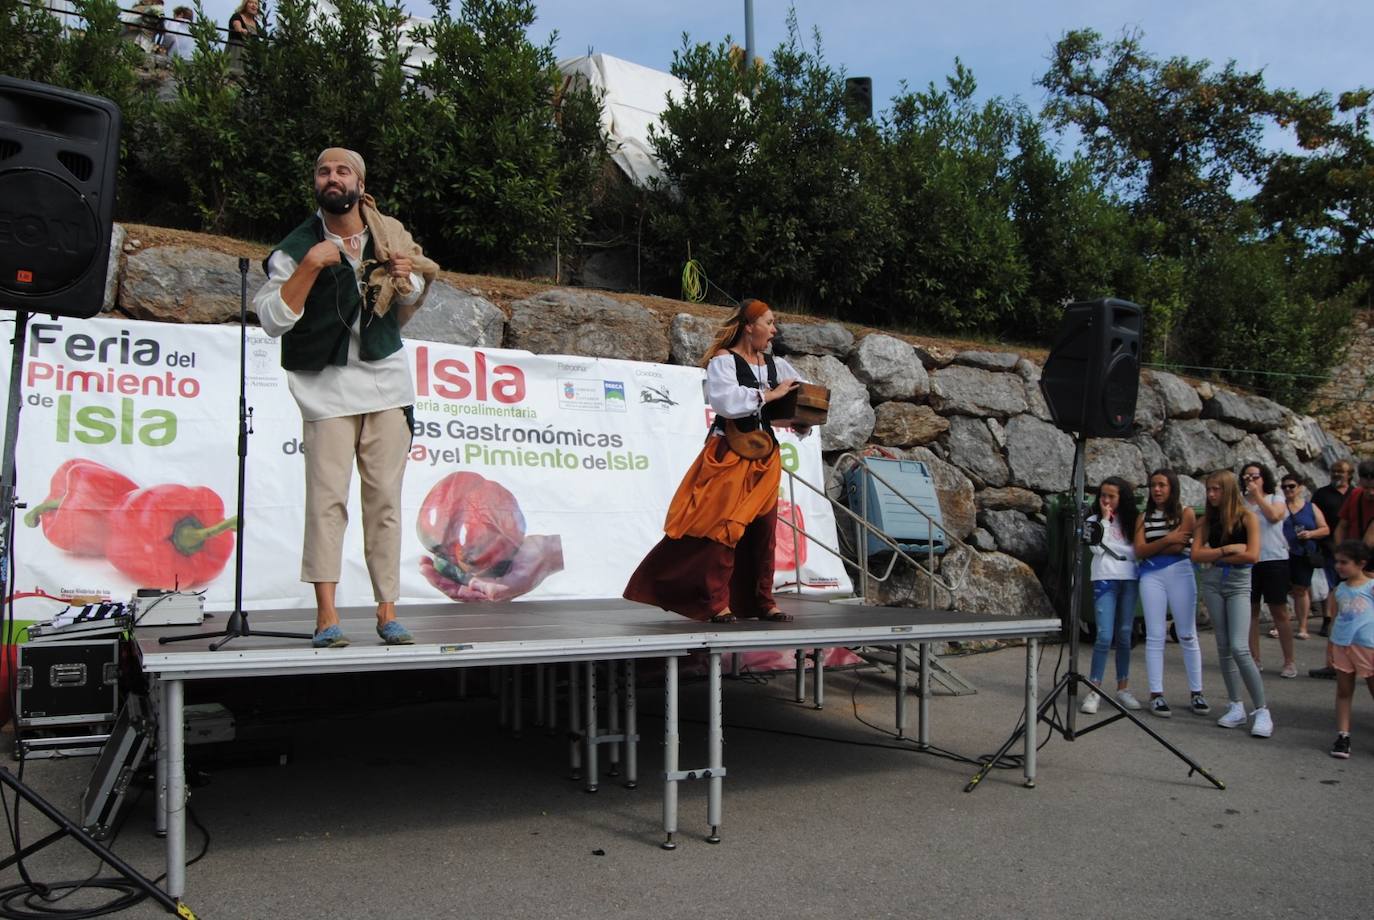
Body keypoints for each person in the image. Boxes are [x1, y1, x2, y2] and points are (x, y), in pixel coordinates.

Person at [255, 147, 439, 648]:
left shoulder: (387, 232)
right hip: (325, 389)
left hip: (386, 384)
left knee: (384, 501)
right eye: (323, 171)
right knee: (327, 502)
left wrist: (406, 275)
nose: (332, 178)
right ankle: (327, 616)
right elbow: (271, 318)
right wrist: (311, 266)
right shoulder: (297, 247)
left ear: (359, 181)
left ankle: (387, 611)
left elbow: (412, 290)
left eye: (342, 171)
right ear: (315, 183)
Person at [623, 299, 810, 623]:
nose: (774, 329)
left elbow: (793, 398)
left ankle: (763, 600)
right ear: (749, 326)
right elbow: (727, 404)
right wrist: (770, 394)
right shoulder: (724, 361)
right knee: (724, 529)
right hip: (729, 453)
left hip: (765, 456)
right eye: (768, 322)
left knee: (764, 529)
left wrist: (800, 417)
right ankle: (715, 602)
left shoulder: (775, 365)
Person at [1193, 470, 1271, 737]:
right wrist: (1226, 551)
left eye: (1216, 489)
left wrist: (1215, 556)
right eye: (1209, 490)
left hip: (1238, 583)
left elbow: (1252, 556)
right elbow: (1196, 554)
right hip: (1214, 582)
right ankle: (1235, 705)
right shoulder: (1207, 520)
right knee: (1224, 646)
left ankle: (1261, 710)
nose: (1212, 495)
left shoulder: (1247, 516)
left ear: (1227, 490)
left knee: (1239, 647)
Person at [1132, 468, 1207, 717]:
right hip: (1151, 575)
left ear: (1172, 487)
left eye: (1162, 485)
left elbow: (1180, 546)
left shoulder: (1185, 513)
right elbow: (1140, 550)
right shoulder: (1143, 517)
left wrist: (1159, 545)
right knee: (1155, 635)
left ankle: (1197, 692)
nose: (1157, 490)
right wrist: (1167, 539)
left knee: (1187, 633)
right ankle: (1156, 693)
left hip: (1180, 572)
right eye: (1153, 485)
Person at [1081, 477, 1141, 715]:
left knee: (1125, 634)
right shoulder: (1094, 520)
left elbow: (1139, 547)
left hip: (1129, 577)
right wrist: (1105, 521)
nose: (1105, 500)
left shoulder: (1133, 521)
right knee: (1104, 635)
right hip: (1105, 577)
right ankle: (1094, 689)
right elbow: (1095, 548)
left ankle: (1123, 688)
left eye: (1111, 496)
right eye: (1102, 495)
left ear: (1121, 498)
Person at [1240, 461, 1297, 678]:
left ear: (1264, 478)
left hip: (1274, 559)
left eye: (1255, 476)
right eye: (1247, 477)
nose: (1251, 481)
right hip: (1251, 561)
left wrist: (1258, 496)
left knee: (1279, 611)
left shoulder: (1276, 498)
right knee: (1251, 612)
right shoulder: (1242, 503)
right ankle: (1254, 658)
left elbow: (1274, 516)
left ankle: (1289, 660)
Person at [1326, 540, 1374, 758]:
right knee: (1343, 691)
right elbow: (1335, 618)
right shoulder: (1339, 589)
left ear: (1361, 563)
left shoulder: (1371, 586)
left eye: (1344, 562)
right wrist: (1329, 647)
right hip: (1341, 645)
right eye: (1337, 562)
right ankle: (1343, 736)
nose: (1339, 566)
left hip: (1367, 647)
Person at [1281, 473, 1329, 641]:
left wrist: (1311, 534)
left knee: (1301, 589)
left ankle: (1302, 626)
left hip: (1303, 553)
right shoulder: (1279, 507)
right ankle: (1280, 624)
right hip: (1282, 553)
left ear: (1300, 487)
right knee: (1280, 590)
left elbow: (1325, 529)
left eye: (1291, 486)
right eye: (1284, 486)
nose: (1288, 489)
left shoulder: (1311, 507)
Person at [1311, 460, 1354, 638]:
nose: (1336, 474)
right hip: (1328, 546)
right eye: (1334, 471)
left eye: (1340, 472)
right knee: (1329, 584)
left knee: (1352, 583)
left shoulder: (1356, 494)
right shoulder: (1322, 494)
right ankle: (1327, 619)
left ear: (1349, 474)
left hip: (1353, 547)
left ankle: (1349, 618)